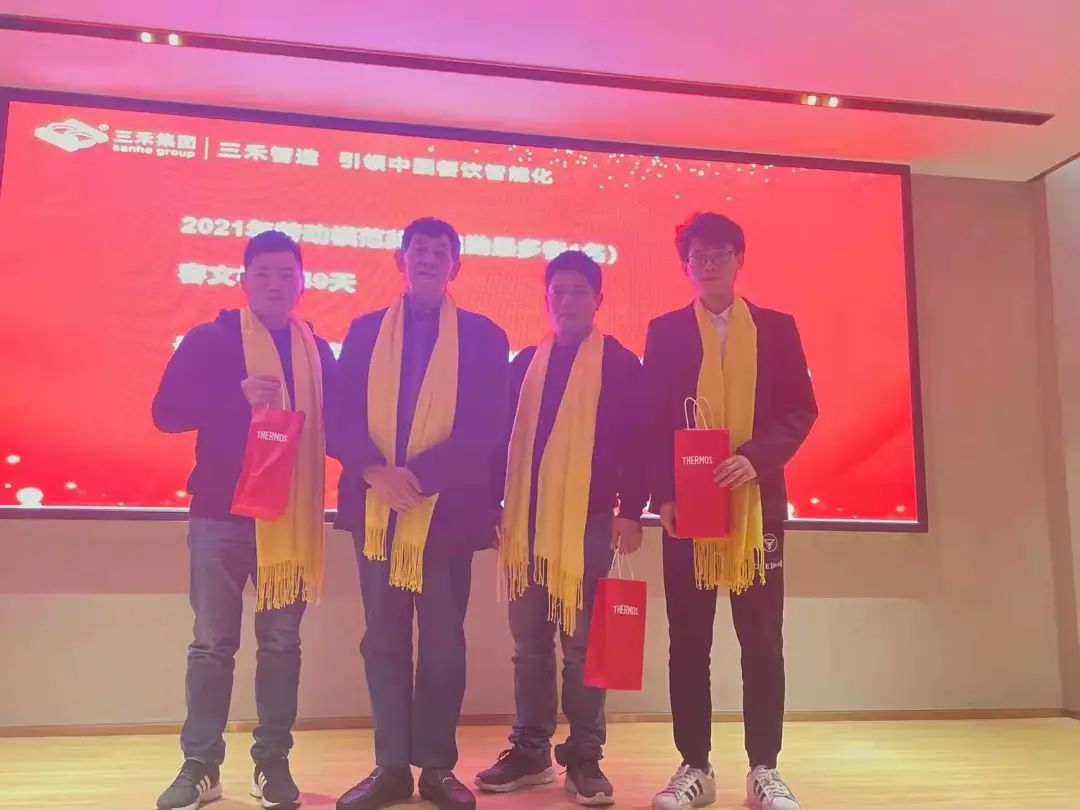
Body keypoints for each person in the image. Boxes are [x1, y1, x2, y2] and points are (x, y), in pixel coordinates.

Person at [328, 217, 510, 810]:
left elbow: (488, 426)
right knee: (382, 640)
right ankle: (389, 768)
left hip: (446, 514)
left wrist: (419, 479)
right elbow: (339, 414)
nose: (429, 259)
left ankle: (436, 768)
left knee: (442, 644)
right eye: (419, 250)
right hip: (377, 511)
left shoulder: (484, 337)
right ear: (400, 259)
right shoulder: (363, 332)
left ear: (456, 265)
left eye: (440, 252)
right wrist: (373, 471)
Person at [152, 230, 336, 810]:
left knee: (281, 645)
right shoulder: (210, 340)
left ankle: (272, 762)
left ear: (302, 283)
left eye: (287, 274)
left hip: (289, 519)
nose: (276, 284)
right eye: (264, 274)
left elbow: (341, 427)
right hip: (220, 516)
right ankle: (200, 765)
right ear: (243, 280)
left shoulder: (317, 351)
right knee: (212, 645)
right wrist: (234, 395)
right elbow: (165, 413)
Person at [644, 213, 817, 810]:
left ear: (740, 259)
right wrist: (662, 496)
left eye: (721, 253)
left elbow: (800, 410)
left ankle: (764, 768)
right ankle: (695, 766)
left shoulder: (777, 328)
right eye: (699, 255)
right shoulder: (666, 332)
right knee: (689, 640)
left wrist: (756, 458)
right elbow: (651, 419)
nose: (710, 263)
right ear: (685, 265)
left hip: (755, 506)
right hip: (687, 508)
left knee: (761, 639)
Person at [475, 251, 647, 806]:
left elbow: (637, 445)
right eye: (558, 291)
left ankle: (585, 756)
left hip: (589, 525)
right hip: (525, 525)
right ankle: (530, 751)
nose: (566, 300)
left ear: (598, 300)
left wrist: (631, 510)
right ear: (547, 299)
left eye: (578, 291)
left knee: (583, 648)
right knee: (529, 645)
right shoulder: (527, 364)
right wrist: (493, 503)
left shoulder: (620, 364)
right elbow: (499, 439)